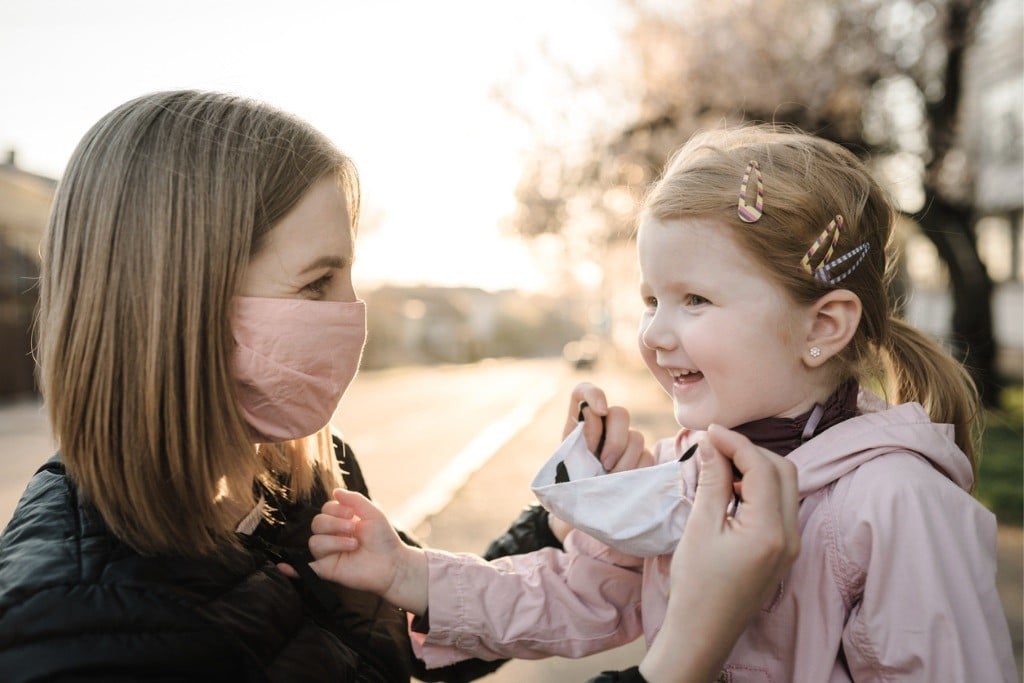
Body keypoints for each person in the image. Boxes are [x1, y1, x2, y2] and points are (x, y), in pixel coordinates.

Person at [0, 90, 799, 683]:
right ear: (178, 299)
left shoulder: (296, 472)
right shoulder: (75, 633)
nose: (352, 315)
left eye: (351, 277)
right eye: (317, 285)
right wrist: (691, 641)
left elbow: (391, 651)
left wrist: (568, 518)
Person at [307, 124, 1019, 681]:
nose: (654, 333)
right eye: (651, 300)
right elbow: (575, 594)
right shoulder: (689, 467)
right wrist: (409, 572)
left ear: (823, 326)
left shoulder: (896, 501)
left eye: (695, 300)